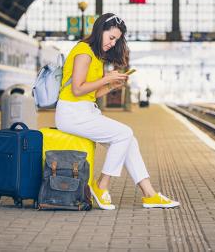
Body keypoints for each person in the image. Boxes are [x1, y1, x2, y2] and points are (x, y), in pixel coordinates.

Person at [55, 13, 179, 210]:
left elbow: (92, 93)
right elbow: (77, 89)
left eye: (117, 40)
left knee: (130, 141)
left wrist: (112, 85)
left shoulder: (95, 55)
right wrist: (105, 79)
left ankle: (150, 194)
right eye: (111, 37)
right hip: (72, 113)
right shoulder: (84, 51)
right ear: (100, 30)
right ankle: (101, 185)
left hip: (84, 111)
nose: (113, 43)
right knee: (124, 133)